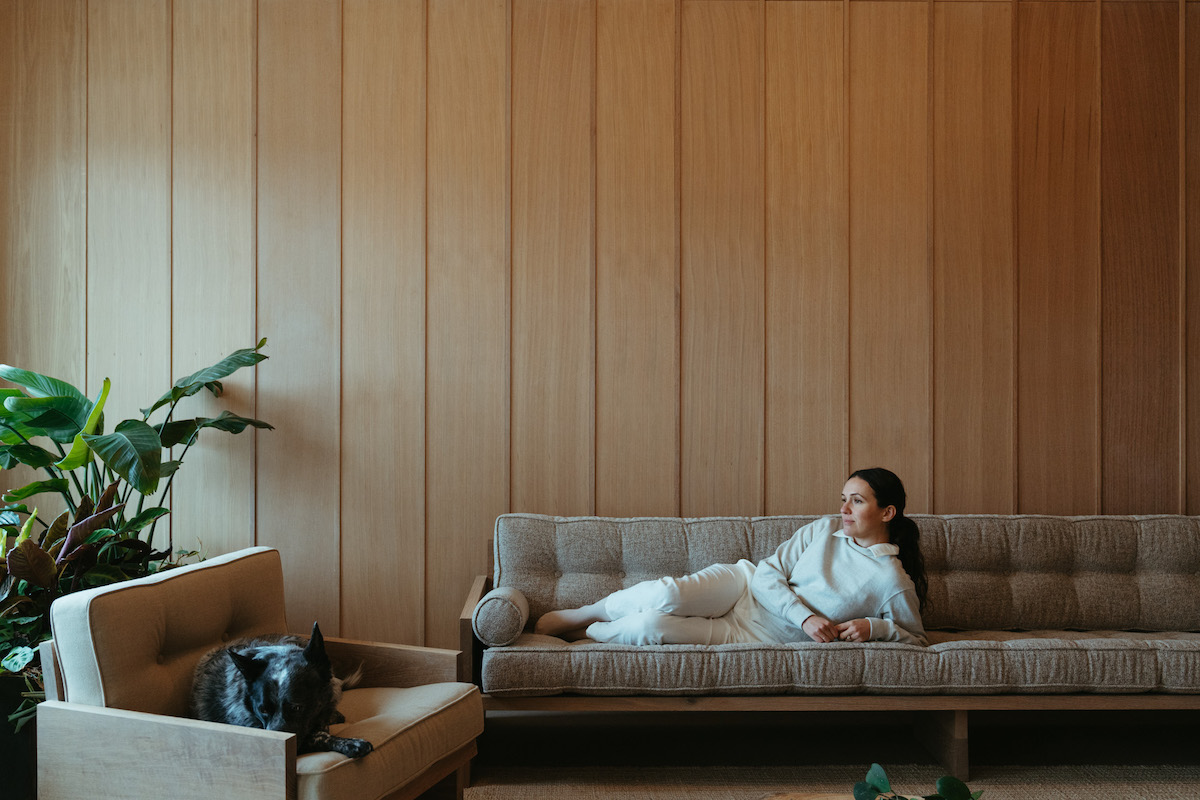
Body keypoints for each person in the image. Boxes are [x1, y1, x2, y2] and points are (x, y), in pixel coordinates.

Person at [534, 467, 929, 647]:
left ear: (887, 512)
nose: (843, 509)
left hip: (755, 635)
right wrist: (805, 617)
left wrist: (873, 628)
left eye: (856, 502)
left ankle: (587, 635)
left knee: (648, 629)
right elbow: (769, 572)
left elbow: (917, 637)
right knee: (666, 596)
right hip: (742, 587)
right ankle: (586, 613)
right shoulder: (822, 529)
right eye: (843, 499)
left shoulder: (891, 581)